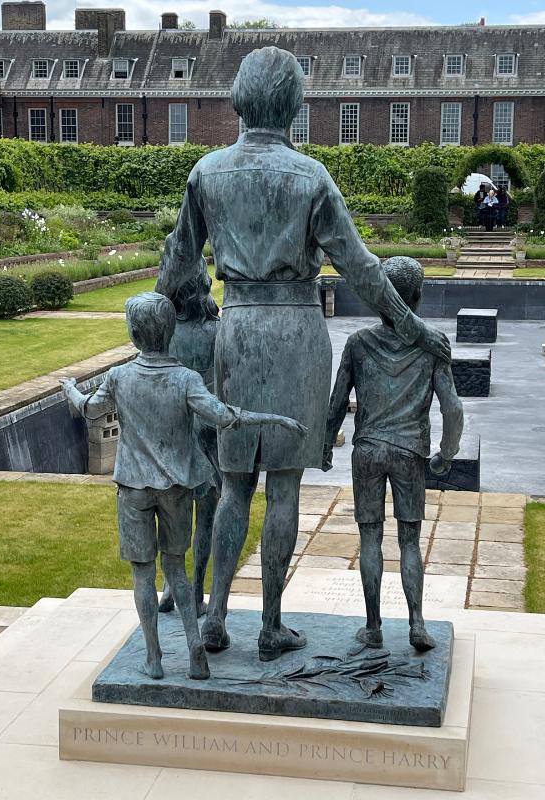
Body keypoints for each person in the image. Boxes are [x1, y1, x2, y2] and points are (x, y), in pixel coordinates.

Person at [155, 46, 450, 663]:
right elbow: (364, 272)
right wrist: (415, 328)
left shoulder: (206, 172)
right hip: (294, 331)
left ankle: (214, 617)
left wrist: (156, 341)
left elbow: (176, 269)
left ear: (240, 100)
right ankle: (269, 624)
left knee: (236, 485)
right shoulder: (311, 176)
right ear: (294, 104)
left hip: (235, 329)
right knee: (283, 486)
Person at [61, 292, 305, 680]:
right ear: (170, 332)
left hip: (134, 489)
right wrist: (276, 419)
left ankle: (154, 657)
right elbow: (226, 416)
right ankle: (194, 646)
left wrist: (70, 388)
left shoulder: (119, 377)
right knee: (176, 568)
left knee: (143, 573)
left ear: (134, 333)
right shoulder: (185, 379)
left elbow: (89, 409)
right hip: (176, 488)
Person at [323, 257, 463, 651]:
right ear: (416, 299)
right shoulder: (431, 345)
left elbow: (336, 403)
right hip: (409, 452)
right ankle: (416, 623)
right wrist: (446, 455)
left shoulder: (358, 343)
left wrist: (324, 446)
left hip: (368, 450)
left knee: (370, 538)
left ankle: (373, 626)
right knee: (409, 541)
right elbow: (452, 408)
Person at [159, 258, 221, 618]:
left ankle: (171, 586)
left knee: (172, 516)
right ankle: (196, 590)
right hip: (207, 433)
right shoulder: (216, 330)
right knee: (207, 519)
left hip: (173, 433)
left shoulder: (163, 333)